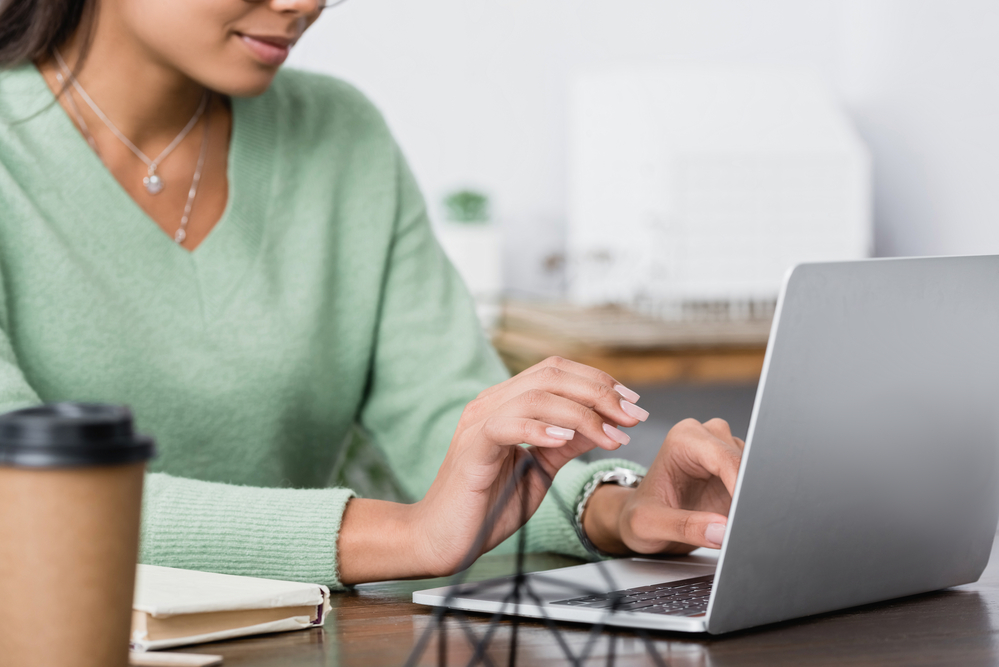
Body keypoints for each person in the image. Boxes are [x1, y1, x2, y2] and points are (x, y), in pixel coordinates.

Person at [0, 0, 744, 588]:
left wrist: (618, 507)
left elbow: (449, 419)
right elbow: (22, 500)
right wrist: (407, 534)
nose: (305, 4)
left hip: (292, 642)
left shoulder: (339, 133)